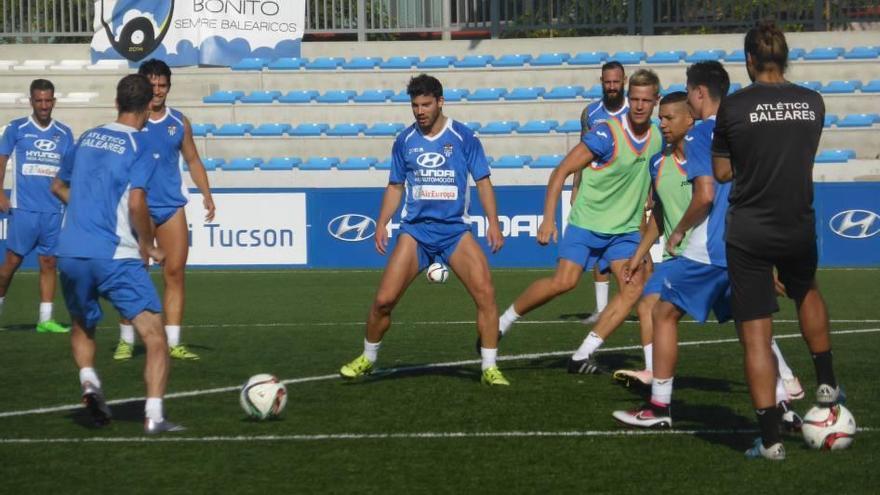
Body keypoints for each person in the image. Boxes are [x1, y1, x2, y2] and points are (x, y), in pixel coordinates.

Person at [712, 21, 842, 460]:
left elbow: (721, 172)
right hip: (797, 222)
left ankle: (769, 441)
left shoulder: (733, 108)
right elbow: (801, 152)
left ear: (749, 59)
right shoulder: (813, 102)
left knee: (755, 335)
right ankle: (826, 382)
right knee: (807, 290)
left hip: (750, 228)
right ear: (784, 58)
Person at [338, 74, 509, 386]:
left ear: (440, 102)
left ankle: (489, 368)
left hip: (455, 232)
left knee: (486, 294)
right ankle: (368, 357)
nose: (420, 111)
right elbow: (395, 185)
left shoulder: (463, 137)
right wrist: (381, 222)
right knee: (383, 301)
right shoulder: (404, 141)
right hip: (415, 232)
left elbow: (483, 181)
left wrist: (494, 223)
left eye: (426, 104)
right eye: (415, 105)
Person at [498, 69, 664, 374]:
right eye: (635, 99)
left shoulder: (658, 137)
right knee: (565, 282)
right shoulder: (606, 133)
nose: (639, 106)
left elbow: (658, 176)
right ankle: (504, 321)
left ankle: (585, 354)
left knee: (634, 287)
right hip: (587, 222)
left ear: (656, 101)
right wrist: (548, 219)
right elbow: (560, 171)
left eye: (646, 100)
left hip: (623, 232)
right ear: (629, 99)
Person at [50, 74, 183, 434]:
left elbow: (57, 185)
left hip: (71, 251)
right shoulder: (139, 144)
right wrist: (148, 244)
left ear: (116, 103)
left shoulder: (87, 137)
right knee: (155, 337)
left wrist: (85, 208)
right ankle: (154, 416)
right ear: (146, 107)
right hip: (115, 255)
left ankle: (90, 381)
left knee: (82, 323)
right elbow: (138, 202)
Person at [113, 58, 215, 362]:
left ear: (169, 86)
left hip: (171, 207)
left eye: (163, 84)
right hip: (137, 209)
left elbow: (193, 159)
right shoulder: (128, 122)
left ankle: (173, 342)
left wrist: (207, 195)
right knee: (133, 275)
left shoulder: (179, 122)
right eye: (152, 84)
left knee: (175, 273)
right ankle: (126, 339)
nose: (157, 90)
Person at [610, 91, 694, 387]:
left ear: (690, 118)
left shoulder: (708, 162)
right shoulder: (658, 164)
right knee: (648, 307)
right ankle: (653, 374)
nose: (664, 124)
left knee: (748, 323)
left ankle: (784, 380)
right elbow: (658, 217)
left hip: (708, 257)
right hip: (675, 260)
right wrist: (636, 258)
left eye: (670, 118)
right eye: (661, 119)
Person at [0, 79, 74, 333]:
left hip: (54, 211)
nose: (44, 105)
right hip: (25, 209)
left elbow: (69, 171)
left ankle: (45, 319)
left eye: (48, 100)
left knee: (49, 262)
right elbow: (2, 159)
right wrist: (0, 193)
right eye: (39, 100)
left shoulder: (64, 133)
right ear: (31, 101)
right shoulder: (17, 128)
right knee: (11, 262)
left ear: (54, 101)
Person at [575, 61, 629, 325]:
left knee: (630, 252)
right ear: (601, 82)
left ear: (624, 81)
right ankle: (601, 309)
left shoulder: (636, 110)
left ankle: (630, 302)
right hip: (599, 192)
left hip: (629, 190)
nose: (611, 87)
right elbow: (581, 154)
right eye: (607, 82)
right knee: (598, 250)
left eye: (616, 82)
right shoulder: (590, 113)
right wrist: (576, 187)